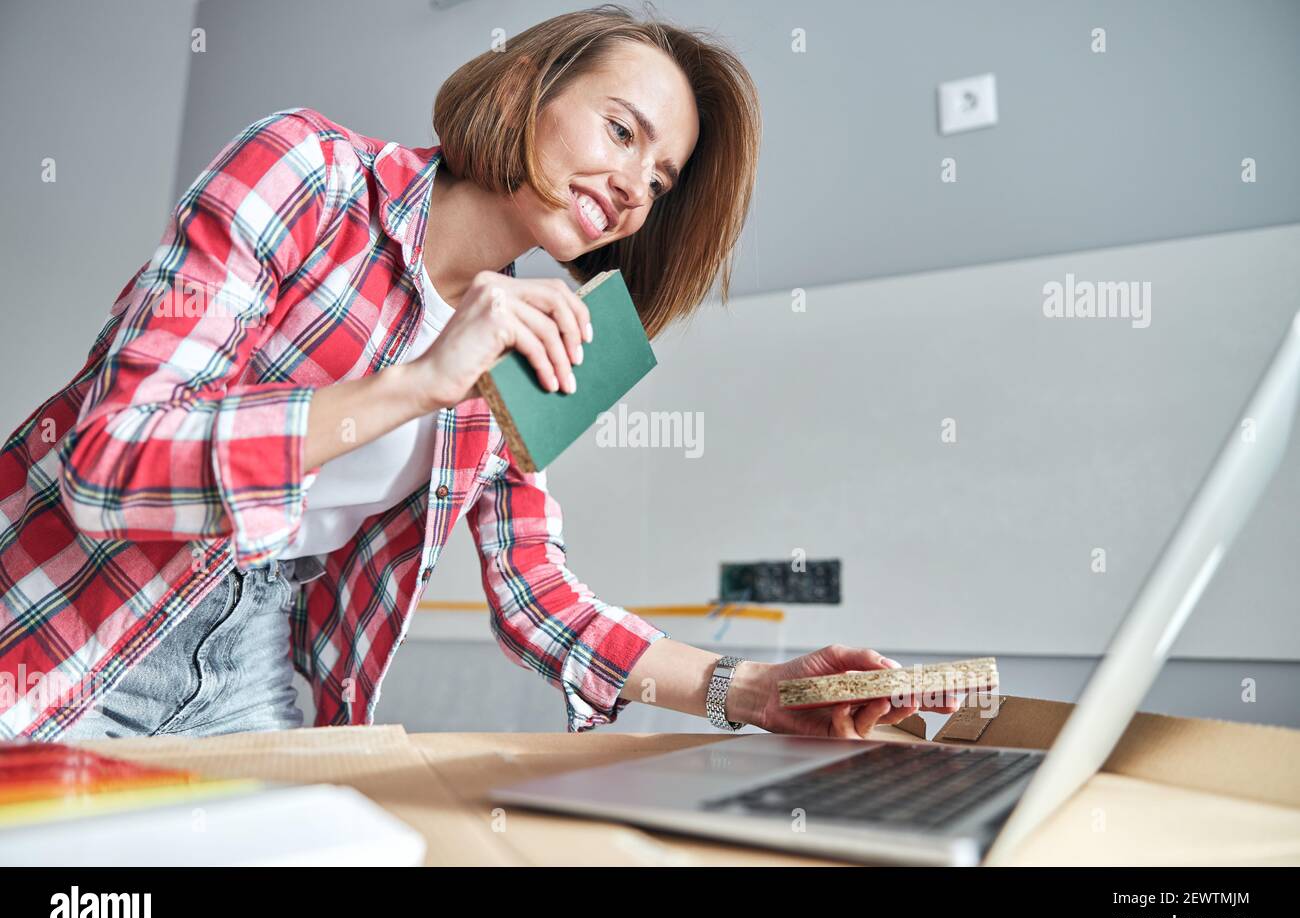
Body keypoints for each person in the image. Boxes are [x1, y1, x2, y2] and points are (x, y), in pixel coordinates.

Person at [0, 5, 957, 742]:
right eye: (623, 132)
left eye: (660, 181)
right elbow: (105, 461)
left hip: (250, 651)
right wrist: (419, 382)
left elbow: (538, 592)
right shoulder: (310, 173)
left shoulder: (534, 334)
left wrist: (745, 689)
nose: (634, 188)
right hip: (72, 609)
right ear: (530, 88)